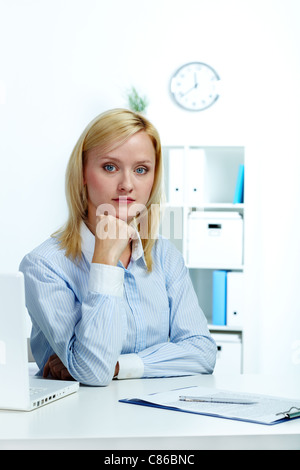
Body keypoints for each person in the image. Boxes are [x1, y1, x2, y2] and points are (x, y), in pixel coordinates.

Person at [20, 108, 217, 386]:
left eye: (141, 170)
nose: (127, 185)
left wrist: (119, 366)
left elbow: (202, 352)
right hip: (77, 423)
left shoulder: (165, 256)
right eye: (110, 167)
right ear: (83, 173)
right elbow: (93, 372)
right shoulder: (44, 265)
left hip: (155, 419)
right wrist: (104, 262)